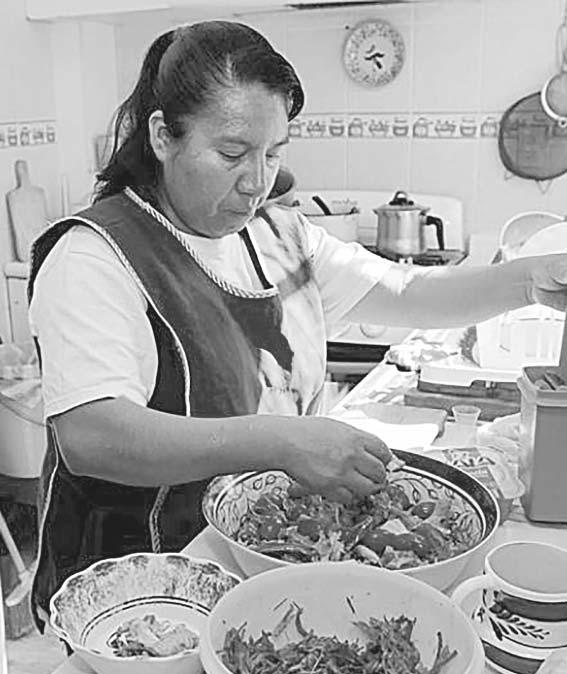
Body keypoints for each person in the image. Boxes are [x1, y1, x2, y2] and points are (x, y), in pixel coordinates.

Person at [28, 20, 567, 632]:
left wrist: (531, 279)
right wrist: (283, 442)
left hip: (254, 572)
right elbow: (92, 436)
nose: (257, 182)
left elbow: (407, 290)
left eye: (274, 153)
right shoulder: (95, 255)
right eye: (232, 154)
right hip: (142, 600)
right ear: (161, 136)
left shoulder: (277, 235)